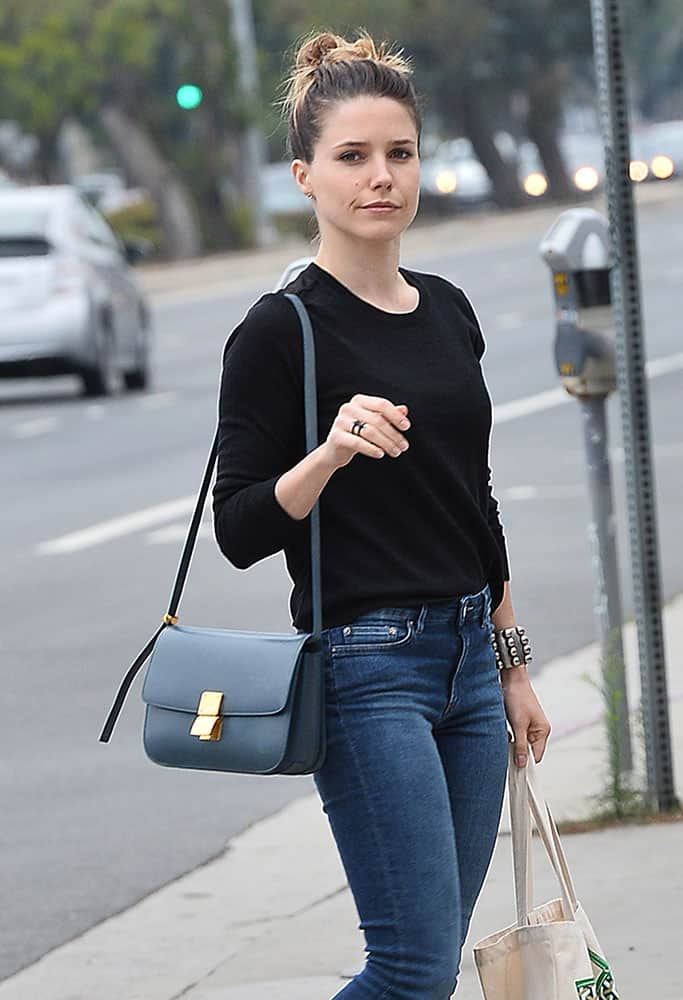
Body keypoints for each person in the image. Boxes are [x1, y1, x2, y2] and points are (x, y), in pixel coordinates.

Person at [212, 27, 551, 1000]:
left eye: (397, 153)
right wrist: (328, 449)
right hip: (366, 668)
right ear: (303, 176)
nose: (379, 176)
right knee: (408, 967)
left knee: (431, 958)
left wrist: (511, 661)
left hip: (466, 667)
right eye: (351, 157)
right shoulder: (280, 331)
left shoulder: (446, 309)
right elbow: (239, 530)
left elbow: (470, 502)